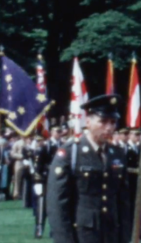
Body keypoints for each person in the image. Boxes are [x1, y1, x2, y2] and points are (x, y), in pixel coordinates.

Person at [46, 94, 131, 243]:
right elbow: (57, 204)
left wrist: (125, 237)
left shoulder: (117, 153)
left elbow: (123, 201)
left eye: (113, 122)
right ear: (88, 122)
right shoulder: (70, 152)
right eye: (103, 121)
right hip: (82, 234)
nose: (109, 127)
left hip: (111, 233)